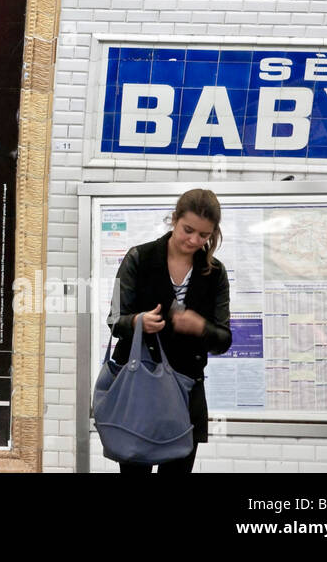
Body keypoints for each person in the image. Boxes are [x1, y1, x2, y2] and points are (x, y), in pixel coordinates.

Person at [107, 187, 231, 474]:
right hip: (140, 387)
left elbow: (223, 340)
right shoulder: (138, 257)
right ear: (174, 219)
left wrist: (201, 327)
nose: (194, 240)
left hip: (185, 392)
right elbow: (114, 320)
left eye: (204, 235)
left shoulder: (216, 273)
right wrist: (137, 321)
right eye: (188, 229)